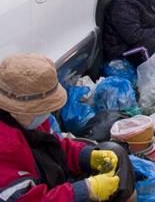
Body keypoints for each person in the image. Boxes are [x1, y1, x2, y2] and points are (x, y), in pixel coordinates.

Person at [0, 53, 121, 201]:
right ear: (16, 109)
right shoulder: (5, 149)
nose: (47, 113)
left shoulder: (29, 121)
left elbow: (55, 146)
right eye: (41, 108)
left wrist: (87, 156)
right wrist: (85, 190)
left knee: (116, 152)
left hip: (53, 185)